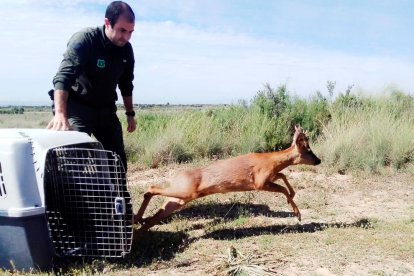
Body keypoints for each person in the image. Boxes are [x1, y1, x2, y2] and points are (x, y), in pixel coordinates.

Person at [47, 1, 136, 172]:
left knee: (117, 159)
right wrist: (60, 114)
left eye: (131, 32)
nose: (126, 37)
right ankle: (72, 197)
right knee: (75, 157)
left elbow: (126, 83)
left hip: (105, 108)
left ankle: (119, 197)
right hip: (77, 107)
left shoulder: (126, 50)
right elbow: (63, 77)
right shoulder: (85, 40)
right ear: (107, 22)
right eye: (122, 30)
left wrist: (130, 114)